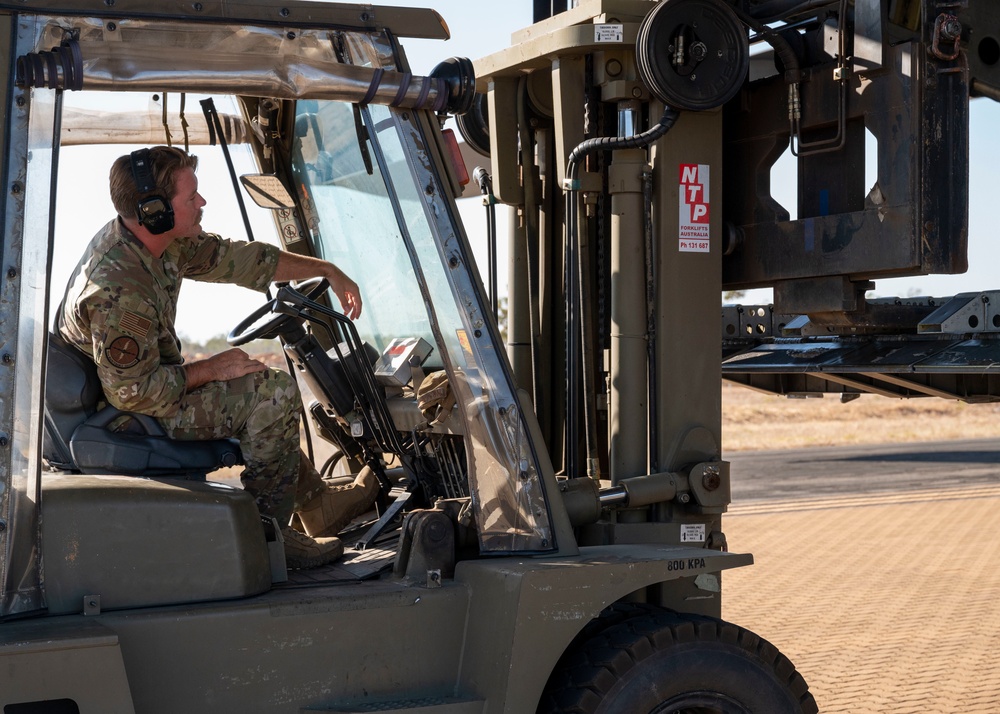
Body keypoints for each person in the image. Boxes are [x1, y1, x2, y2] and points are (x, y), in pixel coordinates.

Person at [57, 145, 377, 569]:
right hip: (121, 410)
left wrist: (326, 269)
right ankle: (267, 541)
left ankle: (317, 506)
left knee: (250, 380)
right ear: (154, 210)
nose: (202, 203)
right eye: (191, 198)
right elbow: (133, 392)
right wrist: (210, 368)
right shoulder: (120, 287)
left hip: (141, 385)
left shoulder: (160, 239)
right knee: (272, 393)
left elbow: (242, 261)